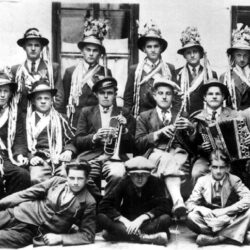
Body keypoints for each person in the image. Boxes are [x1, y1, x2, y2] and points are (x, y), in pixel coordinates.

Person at [135, 77, 195, 218]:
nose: (164, 96)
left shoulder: (182, 115)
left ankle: (165, 211)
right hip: (154, 154)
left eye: (168, 93)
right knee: (168, 161)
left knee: (174, 162)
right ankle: (178, 202)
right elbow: (138, 143)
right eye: (160, 93)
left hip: (178, 154)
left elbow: (193, 145)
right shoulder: (144, 116)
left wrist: (191, 129)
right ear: (154, 96)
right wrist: (157, 133)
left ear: (173, 97)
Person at [0, 161, 96, 248]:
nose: (75, 182)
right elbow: (26, 194)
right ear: (67, 177)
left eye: (80, 178)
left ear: (87, 179)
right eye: (71, 178)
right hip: (17, 213)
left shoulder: (88, 202)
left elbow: (88, 235)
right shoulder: (56, 181)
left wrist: (60, 238)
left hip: (30, 233)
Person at [75, 76, 135, 196]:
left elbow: (133, 145)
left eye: (110, 93)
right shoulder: (86, 112)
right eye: (102, 93)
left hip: (115, 157)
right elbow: (78, 140)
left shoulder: (124, 112)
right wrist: (95, 137)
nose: (106, 96)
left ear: (115, 94)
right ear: (96, 94)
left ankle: (108, 205)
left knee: (117, 175)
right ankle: (95, 204)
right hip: (92, 157)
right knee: (86, 175)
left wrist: (124, 131)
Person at [98, 156, 171, 246]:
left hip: (146, 223)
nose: (140, 179)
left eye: (143, 175)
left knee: (166, 218)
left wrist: (142, 218)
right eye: (136, 175)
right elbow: (104, 205)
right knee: (101, 217)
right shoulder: (124, 182)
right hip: (127, 223)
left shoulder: (155, 182)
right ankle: (145, 238)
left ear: (149, 175)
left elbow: (165, 206)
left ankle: (120, 235)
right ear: (130, 175)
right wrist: (124, 220)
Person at [190, 79, 250, 186]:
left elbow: (244, 138)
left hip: (231, 160)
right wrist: (202, 147)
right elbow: (192, 145)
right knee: (197, 172)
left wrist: (246, 140)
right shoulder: (197, 118)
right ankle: (202, 200)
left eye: (217, 94)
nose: (214, 97)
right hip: (206, 158)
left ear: (223, 97)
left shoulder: (234, 115)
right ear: (204, 97)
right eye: (210, 94)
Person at [186, 149, 250, 246]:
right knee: (191, 217)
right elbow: (189, 203)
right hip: (211, 220)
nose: (218, 171)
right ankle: (237, 234)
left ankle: (218, 238)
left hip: (229, 218)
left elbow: (248, 198)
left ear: (227, 168)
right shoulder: (202, 181)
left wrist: (225, 211)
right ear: (210, 167)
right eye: (215, 167)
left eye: (222, 167)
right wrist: (201, 209)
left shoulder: (234, 180)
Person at [63, 17, 112, 128]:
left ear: (99, 53)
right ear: (82, 51)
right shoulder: (70, 72)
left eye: (95, 50)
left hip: (95, 122)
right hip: (74, 121)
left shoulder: (105, 72)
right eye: (88, 50)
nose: (91, 53)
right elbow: (65, 100)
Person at [26, 78, 76, 184]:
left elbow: (71, 140)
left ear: (52, 100)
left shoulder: (61, 118)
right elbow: (21, 145)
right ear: (33, 102)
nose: (43, 101)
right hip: (38, 160)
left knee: (67, 178)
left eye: (46, 98)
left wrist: (68, 151)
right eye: (39, 98)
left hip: (59, 160)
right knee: (36, 178)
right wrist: (31, 157)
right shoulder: (27, 121)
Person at [123, 20, 176, 118]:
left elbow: (175, 96)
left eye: (156, 46)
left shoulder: (170, 68)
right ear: (144, 49)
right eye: (149, 47)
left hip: (164, 117)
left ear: (161, 48)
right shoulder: (135, 69)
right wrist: (127, 119)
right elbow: (128, 99)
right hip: (141, 117)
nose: (153, 50)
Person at [11, 28, 64, 114]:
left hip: (46, 117)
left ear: (42, 48)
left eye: (36, 45)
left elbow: (59, 97)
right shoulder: (16, 70)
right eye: (29, 45)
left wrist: (48, 115)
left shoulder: (52, 68)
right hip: (23, 118)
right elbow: (13, 98)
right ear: (24, 47)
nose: (33, 48)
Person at [0, 68, 30, 197]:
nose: (2, 95)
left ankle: (11, 211)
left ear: (11, 93)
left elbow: (19, 138)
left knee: (22, 175)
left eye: (5, 91)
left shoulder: (14, 113)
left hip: (8, 156)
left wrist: (19, 155)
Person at [176, 26, 217, 114]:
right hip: (183, 116)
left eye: (195, 51)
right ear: (184, 56)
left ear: (201, 54)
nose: (192, 55)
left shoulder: (210, 74)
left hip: (204, 117)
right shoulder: (177, 74)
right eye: (188, 52)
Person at [220, 23, 250, 110]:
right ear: (233, 56)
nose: (242, 59)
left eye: (245, 55)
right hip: (233, 119)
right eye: (238, 55)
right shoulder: (226, 77)